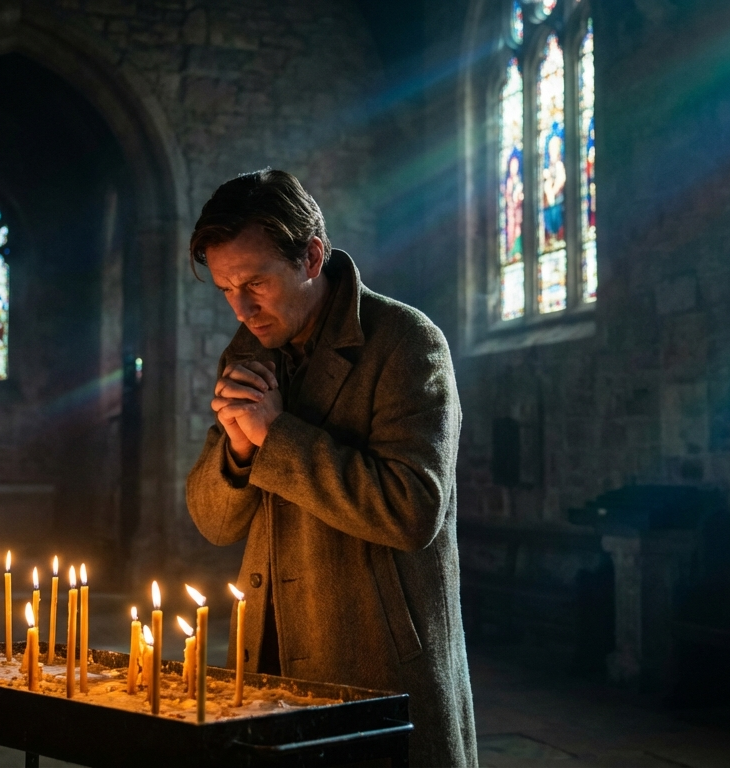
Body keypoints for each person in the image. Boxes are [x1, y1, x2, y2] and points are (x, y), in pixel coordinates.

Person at [184, 169, 477, 767]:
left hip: (374, 658)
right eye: (225, 290)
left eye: (256, 282)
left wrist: (276, 436)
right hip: (267, 651)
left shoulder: (405, 342)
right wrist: (239, 454)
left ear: (312, 257)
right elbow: (214, 524)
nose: (241, 308)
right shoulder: (248, 353)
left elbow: (412, 510)